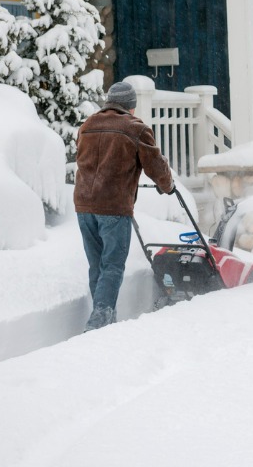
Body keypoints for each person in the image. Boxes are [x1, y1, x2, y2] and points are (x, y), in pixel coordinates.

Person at [74, 81, 174, 331]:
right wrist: (167, 185)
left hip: (84, 205)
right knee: (112, 265)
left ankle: (105, 318)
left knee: (98, 265)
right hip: (113, 206)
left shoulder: (87, 126)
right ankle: (99, 321)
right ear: (131, 106)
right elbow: (156, 166)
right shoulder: (136, 128)